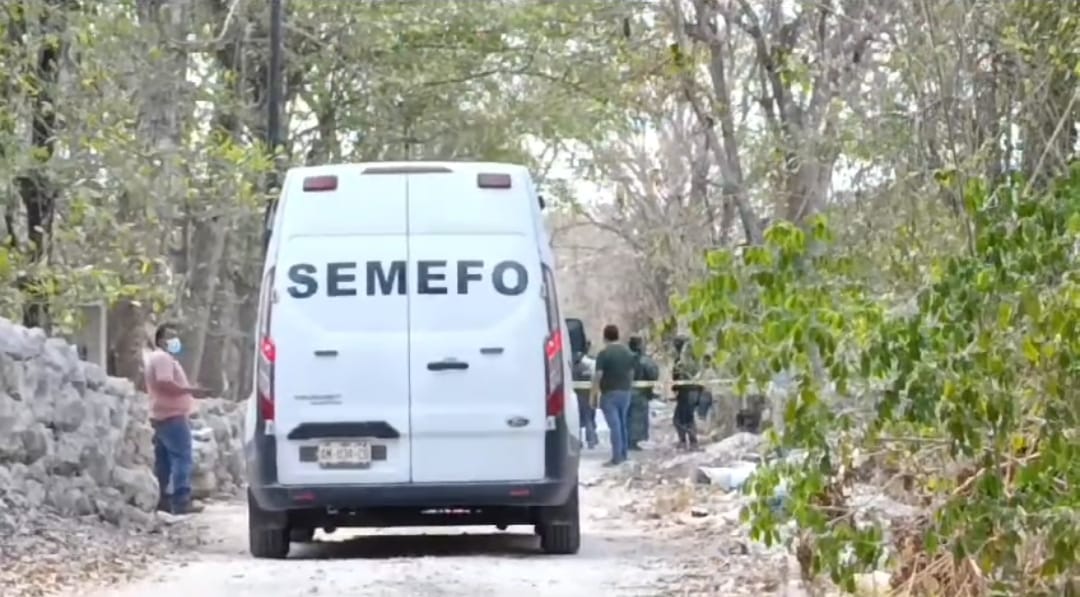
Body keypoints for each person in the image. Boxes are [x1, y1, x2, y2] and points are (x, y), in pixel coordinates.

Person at [146, 323, 210, 514]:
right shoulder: (162, 358)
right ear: (160, 340)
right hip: (172, 416)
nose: (175, 340)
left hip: (161, 415)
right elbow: (165, 382)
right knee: (182, 458)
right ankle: (181, 500)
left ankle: (162, 500)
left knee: (163, 462)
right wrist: (190, 390)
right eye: (170, 336)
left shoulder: (157, 358)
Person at [590, 324, 636, 466]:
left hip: (609, 394)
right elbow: (631, 373)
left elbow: (598, 375)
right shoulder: (627, 353)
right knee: (622, 424)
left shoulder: (604, 354)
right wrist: (628, 386)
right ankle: (624, 454)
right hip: (625, 392)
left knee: (614, 426)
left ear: (605, 337)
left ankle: (616, 458)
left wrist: (593, 395)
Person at [627, 336, 659, 451]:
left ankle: (628, 440)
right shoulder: (644, 360)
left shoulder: (625, 358)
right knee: (638, 418)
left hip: (626, 392)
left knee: (628, 417)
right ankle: (633, 441)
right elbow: (653, 374)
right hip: (640, 393)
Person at [671, 335, 703, 450]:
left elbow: (678, 377)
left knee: (680, 419)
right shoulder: (695, 359)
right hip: (694, 391)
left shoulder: (681, 361)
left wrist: (675, 388)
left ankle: (687, 441)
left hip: (687, 391)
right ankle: (690, 441)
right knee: (687, 417)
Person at [572, 348, 598, 449]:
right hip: (588, 395)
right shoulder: (589, 367)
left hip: (576, 397)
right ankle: (591, 441)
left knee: (577, 421)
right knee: (589, 419)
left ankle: (578, 442)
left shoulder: (573, 369)